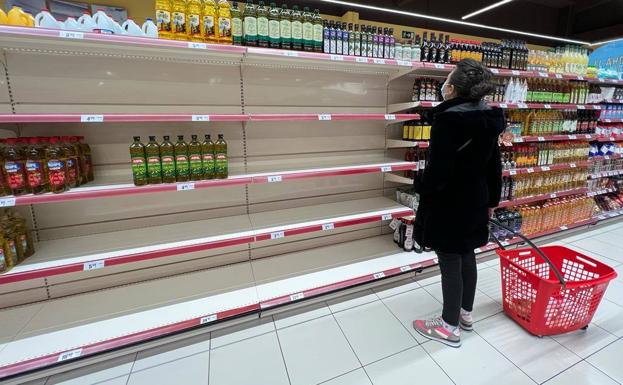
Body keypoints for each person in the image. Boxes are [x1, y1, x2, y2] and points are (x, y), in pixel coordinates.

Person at [412, 58, 505, 348]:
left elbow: (438, 172)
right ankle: (465, 315)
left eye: (447, 80)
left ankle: (448, 326)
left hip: (449, 203)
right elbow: (495, 167)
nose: (443, 84)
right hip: (475, 199)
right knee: (467, 255)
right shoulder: (489, 118)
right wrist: (492, 199)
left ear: (451, 89)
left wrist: (420, 186)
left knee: (450, 261)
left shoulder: (448, 122)